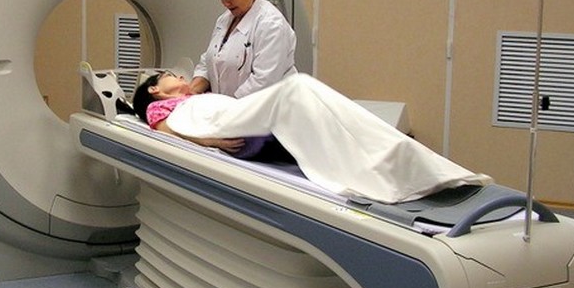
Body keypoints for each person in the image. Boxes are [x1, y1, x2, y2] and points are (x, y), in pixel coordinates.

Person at [132, 72, 492, 203]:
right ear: (155, 90)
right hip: (224, 124)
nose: (180, 76)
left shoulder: (193, 96)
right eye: (170, 75)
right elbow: (166, 132)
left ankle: (405, 154)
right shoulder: (161, 109)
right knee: (297, 89)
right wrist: (209, 143)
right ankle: (394, 164)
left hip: (234, 114)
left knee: (317, 101)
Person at [190, 0, 298, 98]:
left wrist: (228, 106)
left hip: (262, 106)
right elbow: (210, 60)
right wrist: (192, 90)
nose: (226, 3)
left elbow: (264, 81)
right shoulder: (224, 20)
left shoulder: (271, 25)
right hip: (228, 106)